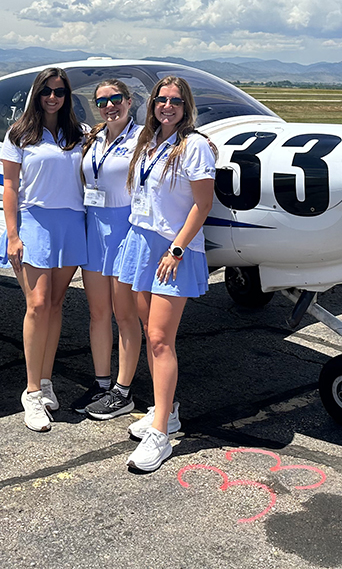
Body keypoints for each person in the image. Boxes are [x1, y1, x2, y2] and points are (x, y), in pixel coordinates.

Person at [115, 76, 215, 472]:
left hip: (173, 249)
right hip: (141, 242)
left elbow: (202, 204)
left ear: (185, 105)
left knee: (159, 339)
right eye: (161, 100)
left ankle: (161, 435)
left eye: (174, 101)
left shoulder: (195, 147)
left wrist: (176, 248)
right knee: (147, 329)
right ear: (152, 104)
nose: (167, 106)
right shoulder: (148, 141)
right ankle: (165, 410)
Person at [0, 68, 86, 432]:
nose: (52, 97)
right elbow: (10, 187)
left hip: (70, 224)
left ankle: (46, 381)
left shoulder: (77, 135)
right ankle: (31, 392)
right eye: (46, 91)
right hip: (34, 223)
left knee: (56, 304)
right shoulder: (19, 134)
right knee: (37, 304)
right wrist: (13, 234)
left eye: (59, 91)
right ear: (37, 93)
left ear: (67, 96)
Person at [72, 80, 142, 420]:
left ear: (129, 102)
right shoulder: (93, 138)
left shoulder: (143, 138)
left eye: (116, 99)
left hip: (125, 232)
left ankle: (123, 391)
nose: (109, 105)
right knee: (98, 313)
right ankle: (101, 383)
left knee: (125, 315)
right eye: (102, 101)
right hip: (93, 232)